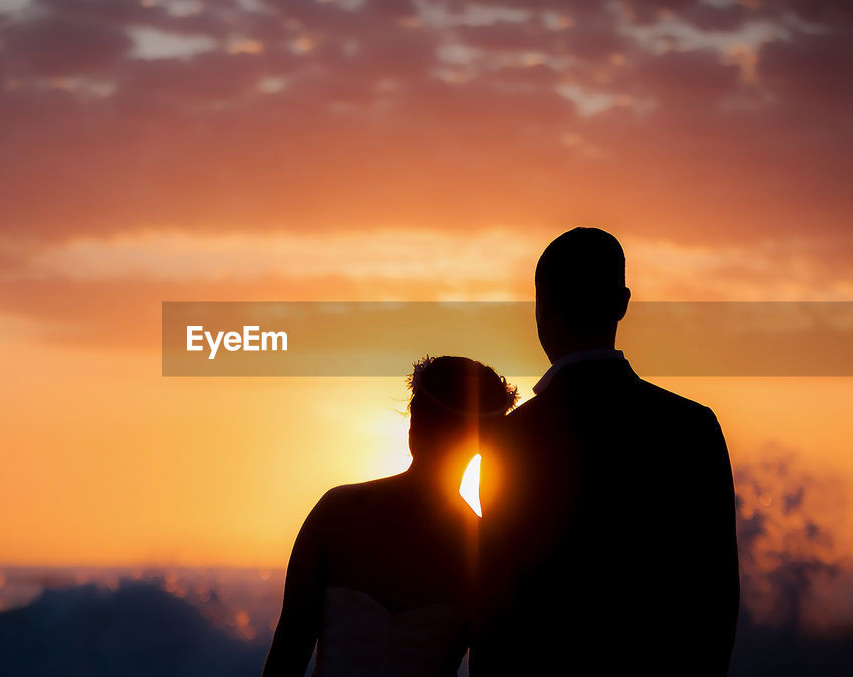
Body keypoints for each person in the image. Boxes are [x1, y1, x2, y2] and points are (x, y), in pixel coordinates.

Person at [473, 228, 740, 674]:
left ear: (541, 310)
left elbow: (496, 611)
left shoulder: (508, 440)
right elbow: (717, 597)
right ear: (622, 303)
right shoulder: (693, 427)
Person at [263, 356, 518, 676]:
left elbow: (288, 653)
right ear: (481, 442)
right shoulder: (485, 547)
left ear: (414, 421)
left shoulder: (337, 512)